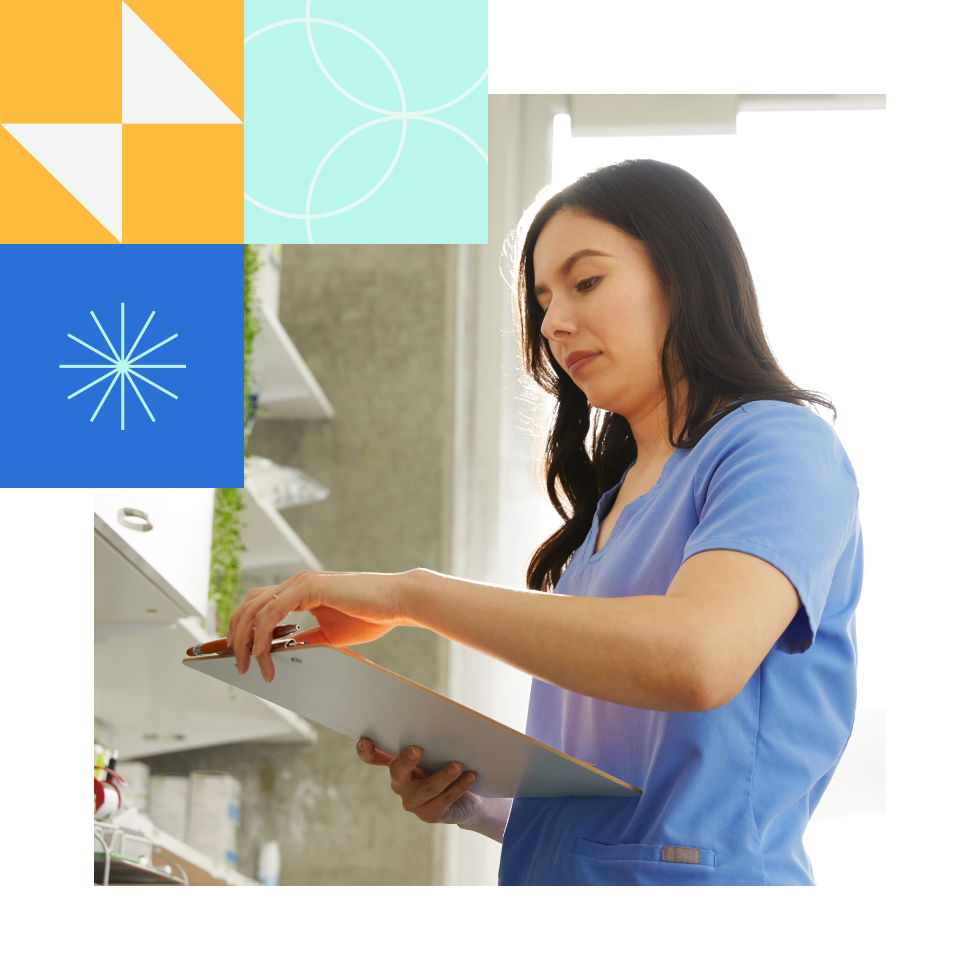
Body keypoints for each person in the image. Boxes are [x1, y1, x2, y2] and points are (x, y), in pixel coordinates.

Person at [227, 159, 862, 886]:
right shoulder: (608, 511)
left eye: (586, 282)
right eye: (542, 299)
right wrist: (474, 795)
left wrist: (413, 596)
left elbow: (695, 660)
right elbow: (622, 788)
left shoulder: (780, 446)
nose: (554, 323)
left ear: (685, 275)